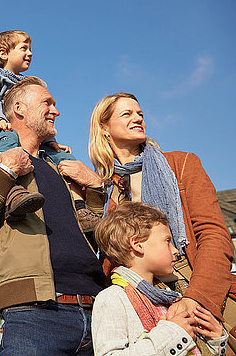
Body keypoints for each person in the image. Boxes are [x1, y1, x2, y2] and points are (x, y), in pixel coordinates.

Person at [0, 76, 107, 355]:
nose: (56, 110)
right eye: (47, 103)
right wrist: (6, 172)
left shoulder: (63, 168)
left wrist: (95, 189)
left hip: (97, 313)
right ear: (19, 109)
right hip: (35, 316)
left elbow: (93, 237)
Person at [75, 92, 233, 323]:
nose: (138, 118)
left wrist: (197, 299)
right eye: (127, 114)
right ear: (104, 127)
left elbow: (214, 235)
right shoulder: (101, 187)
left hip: (195, 286)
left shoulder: (181, 165)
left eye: (140, 114)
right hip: (140, 303)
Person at [92, 201, 228, 356]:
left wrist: (216, 341)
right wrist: (174, 332)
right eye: (167, 241)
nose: (176, 250)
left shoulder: (170, 297)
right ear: (137, 244)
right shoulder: (112, 299)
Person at [0, 30, 89, 222]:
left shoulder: (28, 84)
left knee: (63, 157)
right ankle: (11, 189)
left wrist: (51, 140)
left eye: (30, 49)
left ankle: (80, 206)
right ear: (4, 54)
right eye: (24, 48)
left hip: (27, 135)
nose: (30, 53)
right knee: (8, 142)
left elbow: (39, 118)